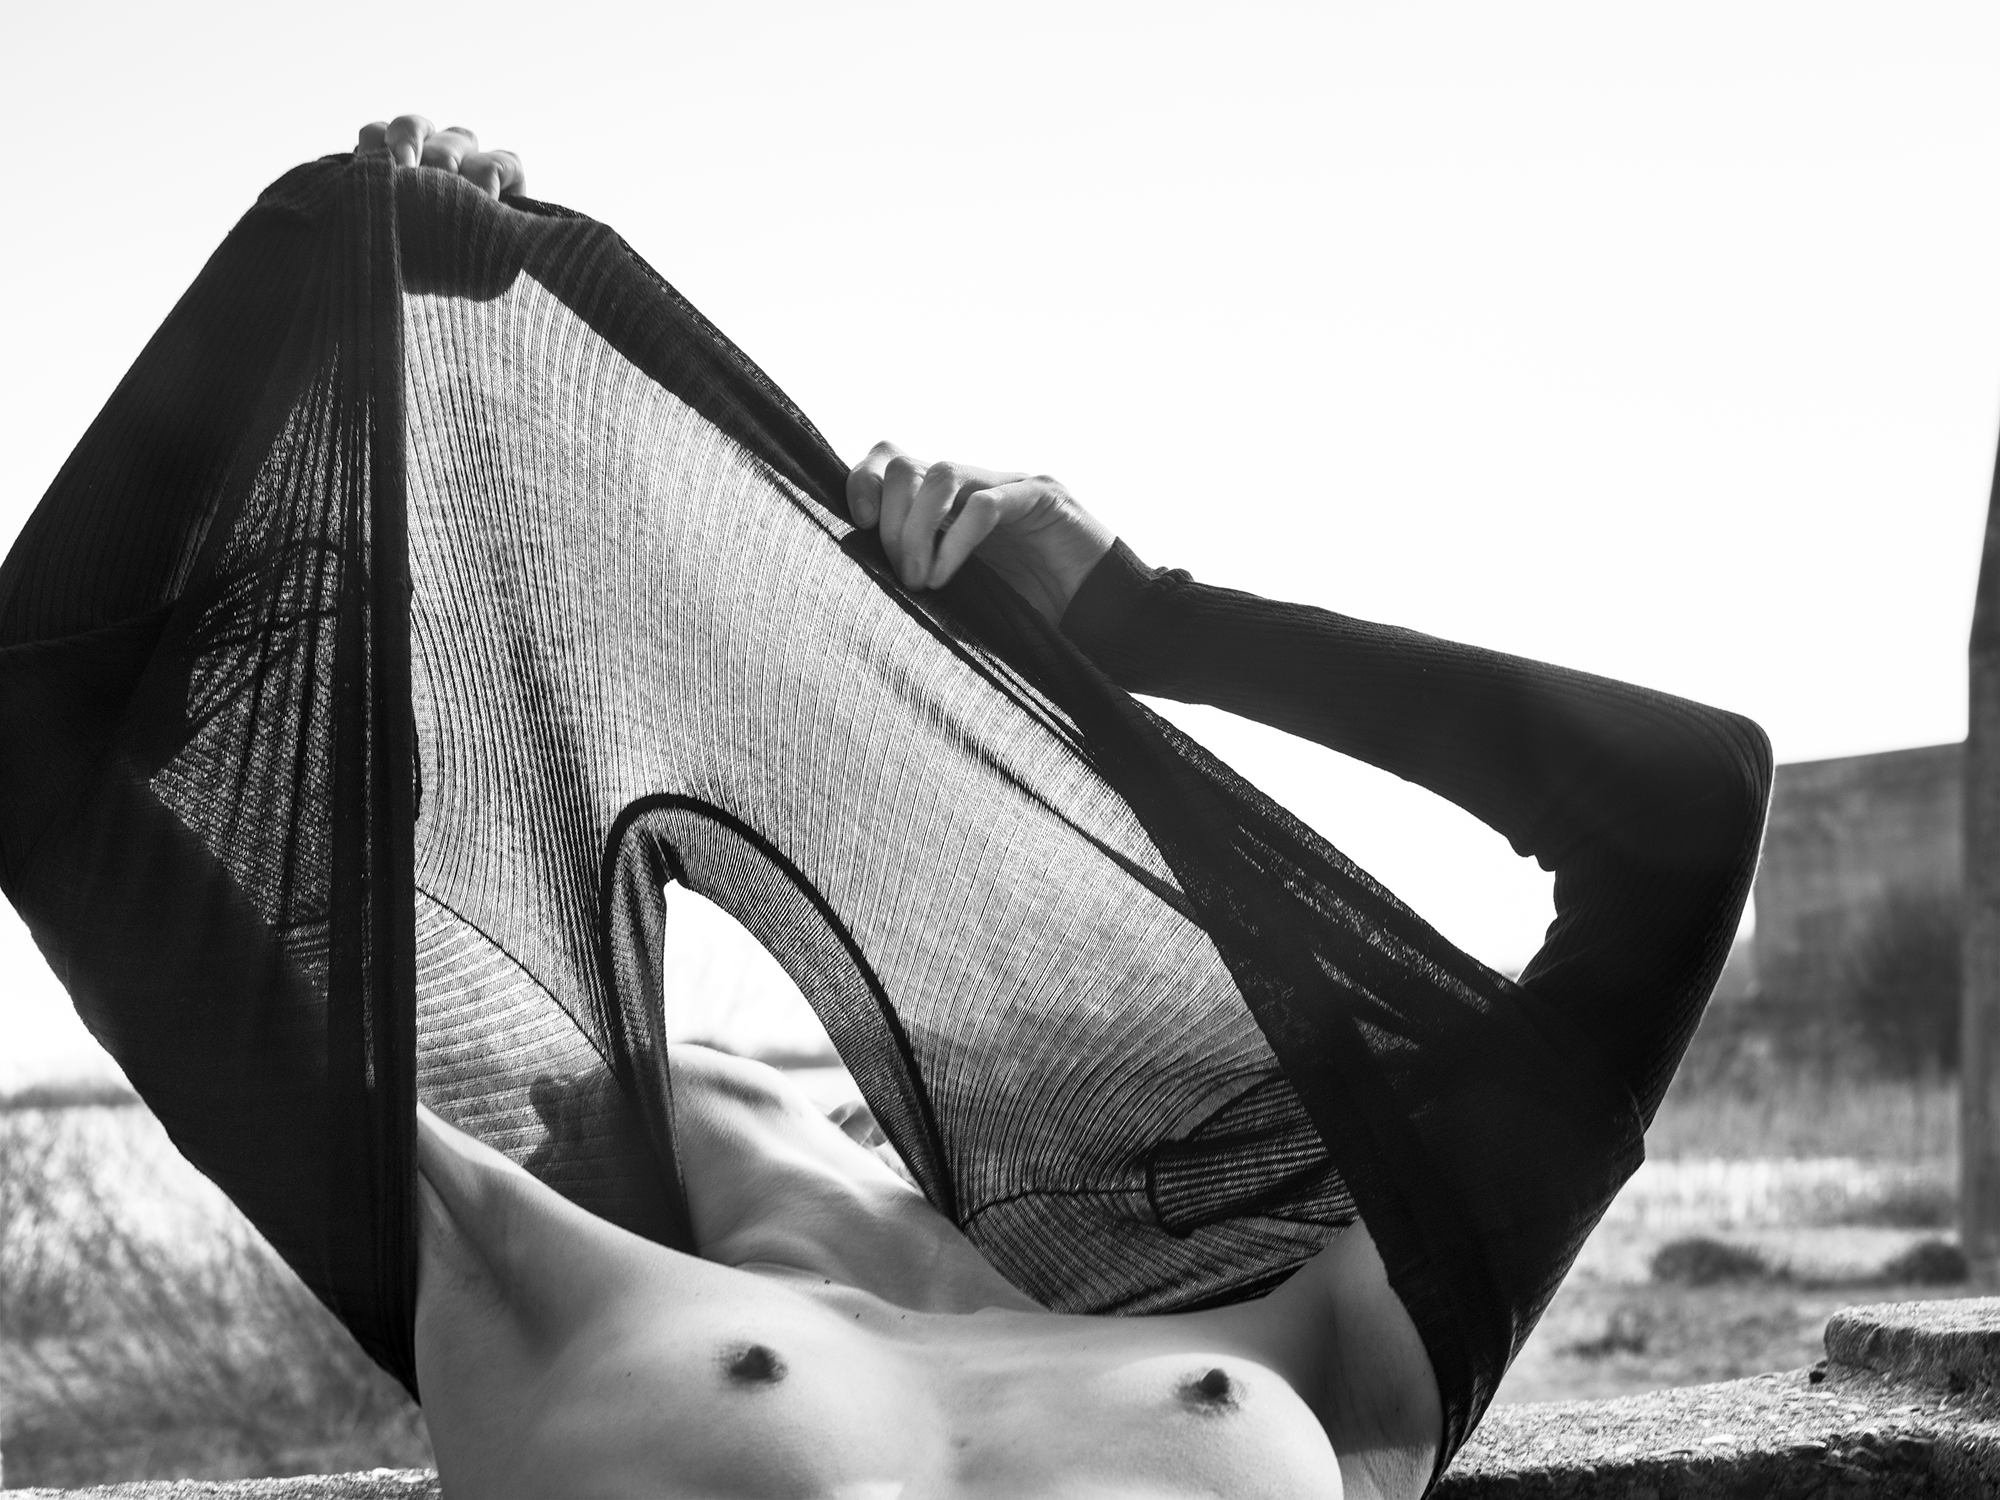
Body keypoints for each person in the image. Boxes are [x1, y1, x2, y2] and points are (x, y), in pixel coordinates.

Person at [351, 116, 1772, 1500]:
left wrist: (1149, 623)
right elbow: (169, 849)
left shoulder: (1305, 1346)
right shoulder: (529, 1265)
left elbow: (1687, 807)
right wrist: (355, 334)